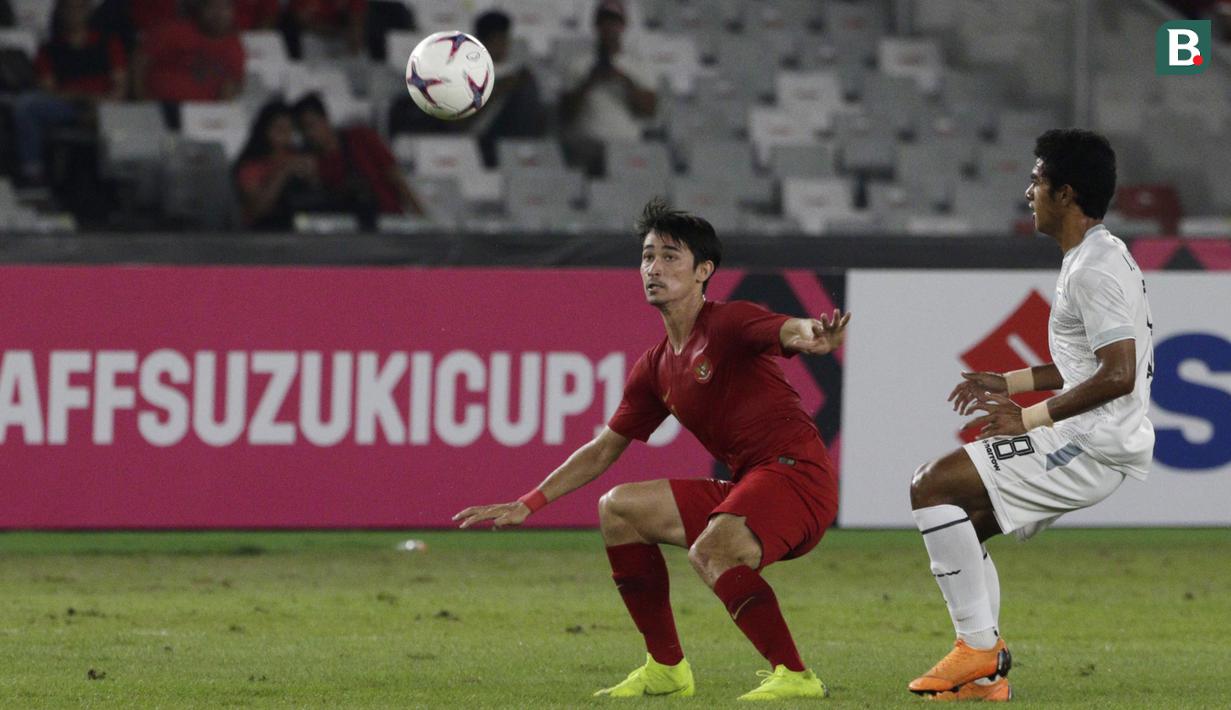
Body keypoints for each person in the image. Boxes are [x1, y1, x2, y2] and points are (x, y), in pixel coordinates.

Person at [454, 198, 850, 701]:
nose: (653, 268)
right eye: (647, 256)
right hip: (751, 483)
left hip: (799, 478)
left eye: (669, 256)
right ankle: (666, 668)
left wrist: (812, 335)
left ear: (704, 271)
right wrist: (529, 502)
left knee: (712, 551)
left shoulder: (728, 323)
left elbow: (787, 328)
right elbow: (603, 448)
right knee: (619, 509)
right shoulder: (656, 367)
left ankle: (795, 676)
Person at [906, 129, 1153, 702]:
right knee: (961, 526)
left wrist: (1028, 418)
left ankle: (978, 650)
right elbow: (1084, 363)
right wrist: (1010, 382)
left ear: (1066, 193)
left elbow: (1118, 373)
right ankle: (984, 678)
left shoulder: (1094, 269)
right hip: (1088, 436)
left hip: (1089, 443)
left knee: (931, 486)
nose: (1028, 192)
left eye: (1037, 180)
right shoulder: (1095, 257)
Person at [13, 0, 127, 185]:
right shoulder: (49, 48)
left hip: (105, 107)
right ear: (61, 11)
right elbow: (49, 89)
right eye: (69, 8)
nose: (75, 14)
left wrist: (103, 105)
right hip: (68, 106)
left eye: (80, 8)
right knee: (27, 104)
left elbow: (120, 84)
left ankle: (121, 181)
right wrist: (83, 99)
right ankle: (33, 173)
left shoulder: (108, 42)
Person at [291, 92, 424, 224]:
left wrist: (421, 218)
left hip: (388, 221)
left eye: (311, 125)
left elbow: (396, 178)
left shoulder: (361, 138)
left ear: (325, 119)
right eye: (303, 130)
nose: (309, 134)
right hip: (347, 229)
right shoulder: (313, 162)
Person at [559, 0, 657, 176]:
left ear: (623, 26)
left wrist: (624, 80)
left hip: (626, 146)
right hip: (587, 144)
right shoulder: (577, 65)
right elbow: (565, 114)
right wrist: (589, 81)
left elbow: (649, 111)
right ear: (596, 26)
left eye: (614, 21)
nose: (609, 27)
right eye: (604, 21)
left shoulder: (638, 66)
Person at [469, 10, 546, 168]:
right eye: (495, 40)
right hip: (481, 138)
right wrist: (498, 89)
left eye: (504, 39)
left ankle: (526, 151)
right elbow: (458, 124)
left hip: (514, 135)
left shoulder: (518, 71)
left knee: (527, 86)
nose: (501, 45)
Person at [233, 100, 323, 230]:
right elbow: (258, 210)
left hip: (302, 225)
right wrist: (283, 172)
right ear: (265, 130)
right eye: (280, 129)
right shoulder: (251, 166)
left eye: (290, 129)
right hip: (264, 230)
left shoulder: (299, 156)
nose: (286, 135)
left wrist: (312, 175)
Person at [133, 0, 244, 103]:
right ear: (201, 10)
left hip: (203, 111)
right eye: (212, 7)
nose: (218, 14)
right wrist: (142, 100)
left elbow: (232, 85)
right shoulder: (172, 30)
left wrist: (220, 110)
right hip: (159, 105)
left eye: (224, 8)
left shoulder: (235, 48)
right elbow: (139, 63)